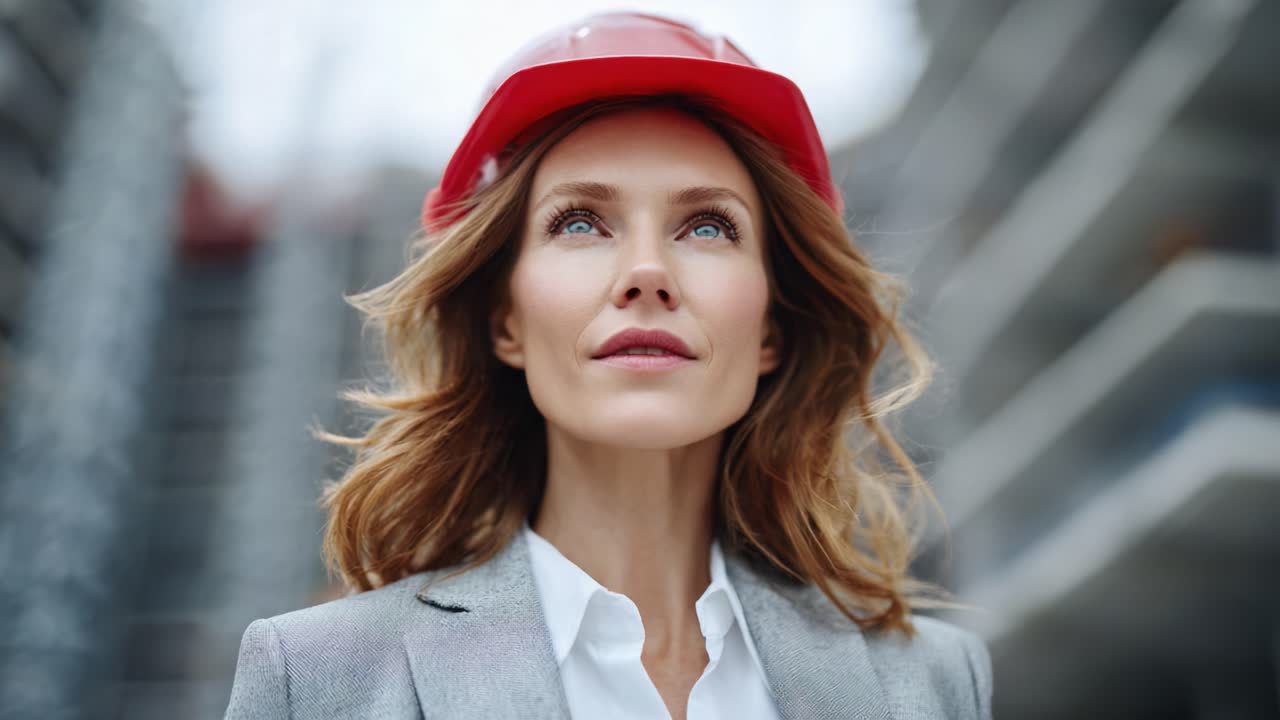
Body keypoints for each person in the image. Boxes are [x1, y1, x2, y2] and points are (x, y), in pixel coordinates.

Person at [224, 11, 993, 720]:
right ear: (506, 322)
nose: (647, 271)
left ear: (772, 329)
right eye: (581, 222)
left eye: (708, 226)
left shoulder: (932, 683)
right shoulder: (317, 678)